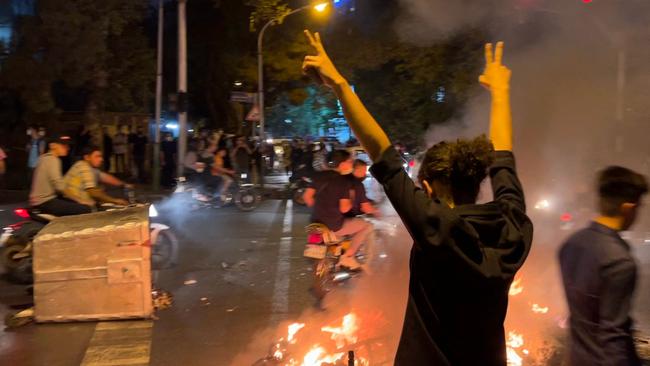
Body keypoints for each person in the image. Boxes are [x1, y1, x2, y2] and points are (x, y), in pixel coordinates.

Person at [302, 31, 533, 365]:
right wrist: (501, 92)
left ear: (427, 188)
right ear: (478, 180)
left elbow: (381, 152)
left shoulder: (435, 228)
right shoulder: (512, 227)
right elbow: (504, 160)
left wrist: (339, 84)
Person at [559, 167, 648, 366]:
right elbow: (613, 337)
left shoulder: (571, 245)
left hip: (576, 358)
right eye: (639, 206)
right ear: (628, 208)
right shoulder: (619, 261)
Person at [303, 150, 372, 270]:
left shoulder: (319, 176)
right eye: (349, 161)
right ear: (342, 164)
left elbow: (307, 197)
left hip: (315, 222)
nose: (351, 164)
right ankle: (349, 256)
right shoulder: (343, 181)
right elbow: (344, 209)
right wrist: (352, 201)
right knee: (366, 226)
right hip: (334, 225)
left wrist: (320, 208)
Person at [29, 135, 91, 216]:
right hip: (45, 201)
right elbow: (59, 186)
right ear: (52, 146)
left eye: (68, 146)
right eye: (63, 145)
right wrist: (80, 200)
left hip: (38, 201)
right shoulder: (53, 160)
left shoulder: (43, 158)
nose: (67, 148)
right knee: (85, 209)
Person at [64, 146, 130, 208]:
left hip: (77, 201)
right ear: (87, 157)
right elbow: (93, 193)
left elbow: (105, 177)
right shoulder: (84, 167)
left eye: (101, 156)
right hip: (72, 203)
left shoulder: (90, 167)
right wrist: (115, 201)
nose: (101, 159)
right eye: (97, 156)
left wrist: (124, 184)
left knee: (101, 190)